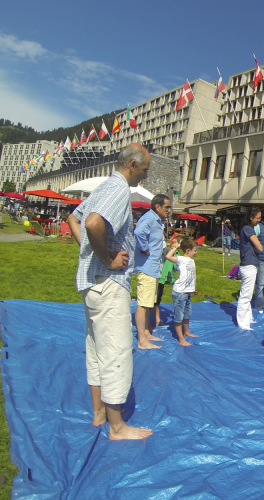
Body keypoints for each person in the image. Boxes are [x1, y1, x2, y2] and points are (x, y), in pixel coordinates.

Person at [66, 143, 153, 440]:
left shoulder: (103, 188)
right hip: (108, 284)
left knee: (95, 347)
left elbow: (73, 219)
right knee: (115, 351)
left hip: (91, 284)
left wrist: (89, 251)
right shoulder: (117, 190)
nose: (145, 175)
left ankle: (100, 412)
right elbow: (91, 223)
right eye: (145, 169)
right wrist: (106, 258)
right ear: (132, 164)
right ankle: (117, 427)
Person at [133, 193, 171, 350]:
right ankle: (142, 340)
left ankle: (147, 332)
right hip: (147, 267)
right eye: (167, 207)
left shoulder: (158, 220)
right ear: (158, 207)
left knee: (149, 303)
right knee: (143, 304)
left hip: (154, 267)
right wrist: (144, 248)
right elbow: (138, 232)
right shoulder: (149, 218)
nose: (169, 210)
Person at [165, 237, 199, 346]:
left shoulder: (190, 259)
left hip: (187, 292)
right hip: (179, 293)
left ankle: (187, 332)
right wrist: (176, 247)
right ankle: (181, 338)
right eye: (195, 250)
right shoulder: (180, 259)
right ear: (188, 251)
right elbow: (168, 256)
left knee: (187, 314)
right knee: (179, 316)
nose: (196, 252)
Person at [236, 208, 263, 330]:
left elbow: (257, 248)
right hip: (248, 265)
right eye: (258, 218)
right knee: (245, 295)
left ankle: (248, 319)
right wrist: (258, 246)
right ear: (251, 217)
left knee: (248, 294)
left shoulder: (249, 230)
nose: (259, 220)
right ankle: (242, 323)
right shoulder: (247, 229)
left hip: (250, 264)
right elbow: (259, 247)